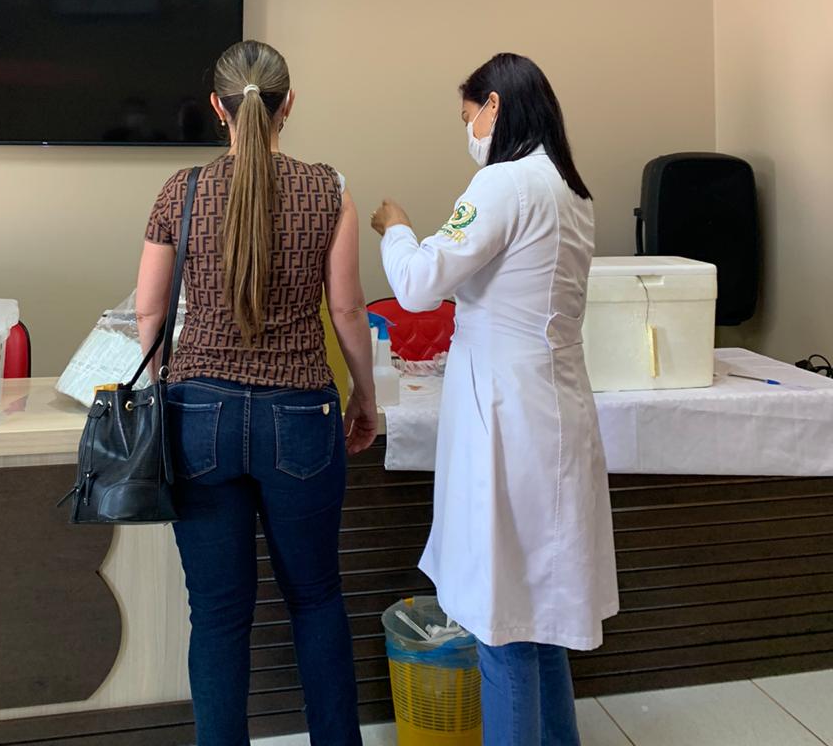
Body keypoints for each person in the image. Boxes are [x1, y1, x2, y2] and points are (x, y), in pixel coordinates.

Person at [371, 53, 618, 746]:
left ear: (495, 106)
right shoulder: (570, 190)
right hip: (555, 408)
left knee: (500, 622)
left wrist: (397, 226)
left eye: (468, 116)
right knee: (538, 617)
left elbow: (419, 285)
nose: (469, 131)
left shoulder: (504, 183)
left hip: (506, 421)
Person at [135, 40, 377, 746]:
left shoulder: (180, 191)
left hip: (197, 414)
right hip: (301, 412)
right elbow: (346, 310)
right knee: (317, 599)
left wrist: (165, 393)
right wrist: (365, 398)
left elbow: (150, 314)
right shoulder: (329, 190)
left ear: (217, 107)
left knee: (216, 615)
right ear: (287, 104)